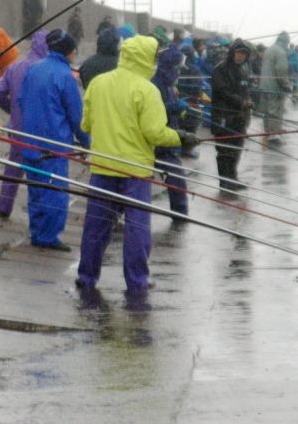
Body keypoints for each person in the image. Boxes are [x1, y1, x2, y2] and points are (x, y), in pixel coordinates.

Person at [76, 36, 198, 295]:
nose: (155, 62)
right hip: (135, 172)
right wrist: (181, 137)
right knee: (137, 229)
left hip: (102, 168)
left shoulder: (98, 83)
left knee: (96, 227)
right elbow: (155, 134)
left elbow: (86, 125)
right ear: (145, 57)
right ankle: (137, 281)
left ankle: (86, 277)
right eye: (154, 56)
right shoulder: (146, 89)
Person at [17, 29, 90, 252]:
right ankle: (48, 237)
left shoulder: (34, 68)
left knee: (36, 190)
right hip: (54, 145)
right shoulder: (65, 75)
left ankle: (37, 232)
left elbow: (20, 100)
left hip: (29, 142)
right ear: (68, 51)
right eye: (74, 49)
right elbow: (76, 115)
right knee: (55, 192)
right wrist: (86, 141)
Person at [0, 29, 49, 218]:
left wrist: (12, 111)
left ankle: (3, 207)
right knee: (42, 174)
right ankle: (40, 218)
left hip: (18, 129)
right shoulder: (51, 70)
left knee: (13, 168)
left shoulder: (15, 67)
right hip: (44, 132)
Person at [151, 43, 190, 218]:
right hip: (158, 142)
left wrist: (179, 111)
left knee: (175, 179)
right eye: (179, 69)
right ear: (171, 67)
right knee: (176, 179)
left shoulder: (168, 84)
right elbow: (152, 109)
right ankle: (180, 215)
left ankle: (180, 213)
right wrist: (175, 106)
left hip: (169, 140)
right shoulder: (155, 83)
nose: (180, 73)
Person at [211, 39, 252, 190]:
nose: (241, 56)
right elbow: (223, 91)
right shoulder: (220, 69)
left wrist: (247, 103)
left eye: (244, 53)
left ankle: (233, 178)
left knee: (237, 148)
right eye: (239, 52)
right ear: (232, 52)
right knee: (224, 149)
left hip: (239, 117)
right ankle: (225, 181)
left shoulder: (243, 69)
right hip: (223, 116)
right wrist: (240, 102)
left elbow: (245, 90)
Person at [177, 40, 208, 158]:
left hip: (178, 101)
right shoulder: (194, 70)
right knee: (191, 125)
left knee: (179, 125)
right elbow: (197, 87)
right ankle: (187, 149)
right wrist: (202, 94)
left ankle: (178, 147)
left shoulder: (177, 68)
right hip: (192, 103)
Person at [260, 31, 292, 145]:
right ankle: (274, 137)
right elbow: (281, 71)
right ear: (286, 41)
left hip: (263, 85)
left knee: (266, 111)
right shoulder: (281, 52)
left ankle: (268, 133)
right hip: (274, 87)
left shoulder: (269, 50)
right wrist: (287, 85)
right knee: (275, 111)